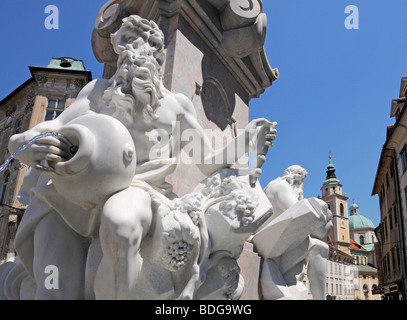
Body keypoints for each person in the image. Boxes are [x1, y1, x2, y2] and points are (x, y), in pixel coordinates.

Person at [7, 15, 276, 299]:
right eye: (124, 46)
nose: (133, 54)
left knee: (121, 225)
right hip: (74, 192)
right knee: (55, 282)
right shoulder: (98, 91)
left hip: (137, 188)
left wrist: (245, 141)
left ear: (159, 55)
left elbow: (207, 161)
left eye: (143, 44)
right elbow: (55, 127)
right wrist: (22, 141)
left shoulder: (176, 106)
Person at [256, 165, 332, 300]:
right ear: (294, 178)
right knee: (320, 247)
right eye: (300, 181)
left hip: (277, 242)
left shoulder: (275, 186)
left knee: (316, 246)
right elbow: (299, 215)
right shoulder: (281, 186)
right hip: (268, 243)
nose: (301, 186)